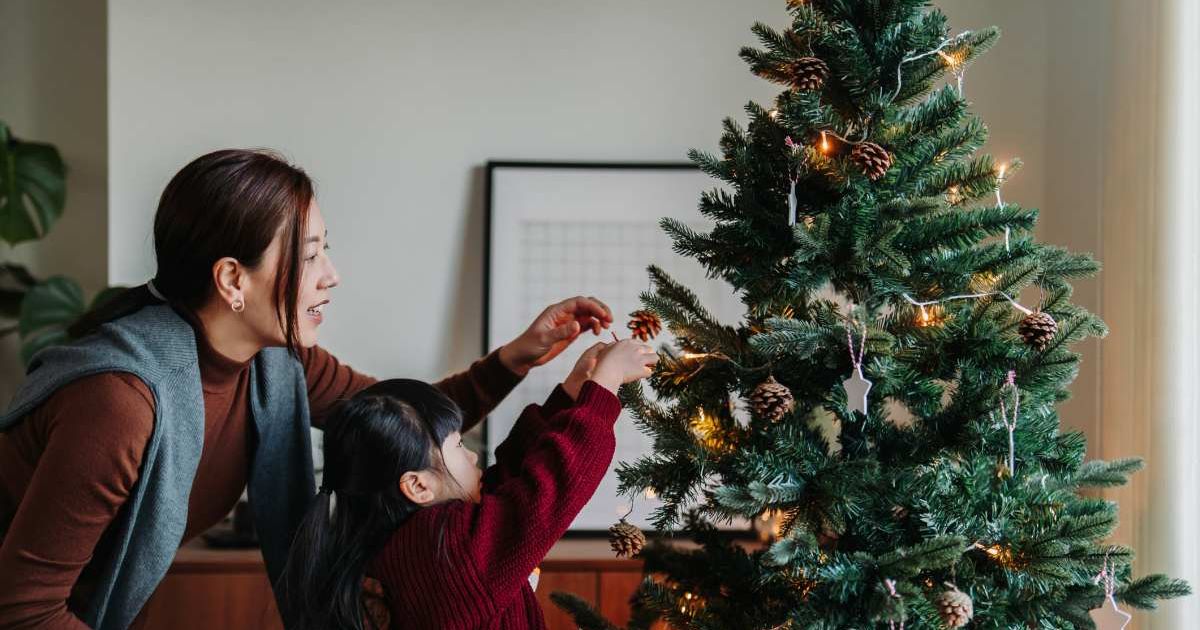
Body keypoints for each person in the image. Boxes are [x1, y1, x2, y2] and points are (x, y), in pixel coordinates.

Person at [0, 148, 615, 629]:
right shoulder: (120, 403)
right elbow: (25, 610)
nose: (332, 276)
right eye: (312, 254)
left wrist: (519, 356)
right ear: (232, 279)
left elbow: (403, 425)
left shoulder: (279, 364)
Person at [278, 338, 656, 629]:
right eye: (458, 445)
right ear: (418, 486)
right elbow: (550, 486)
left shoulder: (413, 535)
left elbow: (508, 485)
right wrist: (604, 387)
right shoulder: (451, 550)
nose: (473, 456)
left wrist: (572, 393)